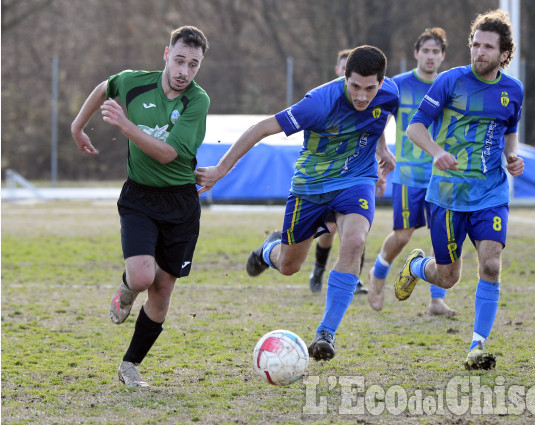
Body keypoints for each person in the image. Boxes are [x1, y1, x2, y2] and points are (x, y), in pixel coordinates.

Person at [195, 45, 398, 361]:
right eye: (355, 86)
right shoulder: (319, 103)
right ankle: (268, 248)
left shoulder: (389, 94)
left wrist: (382, 149)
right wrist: (220, 170)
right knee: (289, 266)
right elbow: (261, 128)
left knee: (355, 241)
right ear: (344, 78)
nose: (361, 96)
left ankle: (325, 334)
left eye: (370, 88)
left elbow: (377, 118)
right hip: (311, 186)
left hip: (356, 180)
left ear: (381, 83)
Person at [71, 26, 210, 386]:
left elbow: (166, 154)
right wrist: (78, 126)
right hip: (139, 198)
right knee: (142, 277)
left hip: (181, 202)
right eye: (179, 60)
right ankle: (128, 286)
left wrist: (125, 125)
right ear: (166, 55)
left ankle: (130, 365)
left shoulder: (197, 101)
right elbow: (105, 87)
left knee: (162, 291)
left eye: (193, 65)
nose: (184, 71)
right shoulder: (134, 82)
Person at [393, 9, 524, 370]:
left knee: (492, 265)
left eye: (488, 47)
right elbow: (415, 128)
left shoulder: (513, 91)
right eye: (476, 44)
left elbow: (509, 131)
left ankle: (476, 348)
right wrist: (436, 152)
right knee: (448, 278)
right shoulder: (450, 81)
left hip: (491, 193)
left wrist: (513, 156)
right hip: (447, 197)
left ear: (504, 54)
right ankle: (419, 266)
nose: (479, 52)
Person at [367, 28, 457, 317]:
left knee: (441, 238)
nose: (430, 57)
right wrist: (382, 149)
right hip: (407, 176)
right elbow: (377, 116)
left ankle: (436, 300)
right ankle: (378, 272)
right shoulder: (399, 85)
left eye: (436, 52)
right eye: (426, 51)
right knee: (403, 236)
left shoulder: (448, 85)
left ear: (442, 56)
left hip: (440, 176)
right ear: (416, 54)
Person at [309, 48, 368, 296]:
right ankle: (318, 270)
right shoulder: (325, 100)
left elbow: (373, 137)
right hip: (328, 178)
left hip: (356, 177)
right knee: (329, 230)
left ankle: (353, 279)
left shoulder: (367, 102)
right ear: (340, 73)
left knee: (357, 230)